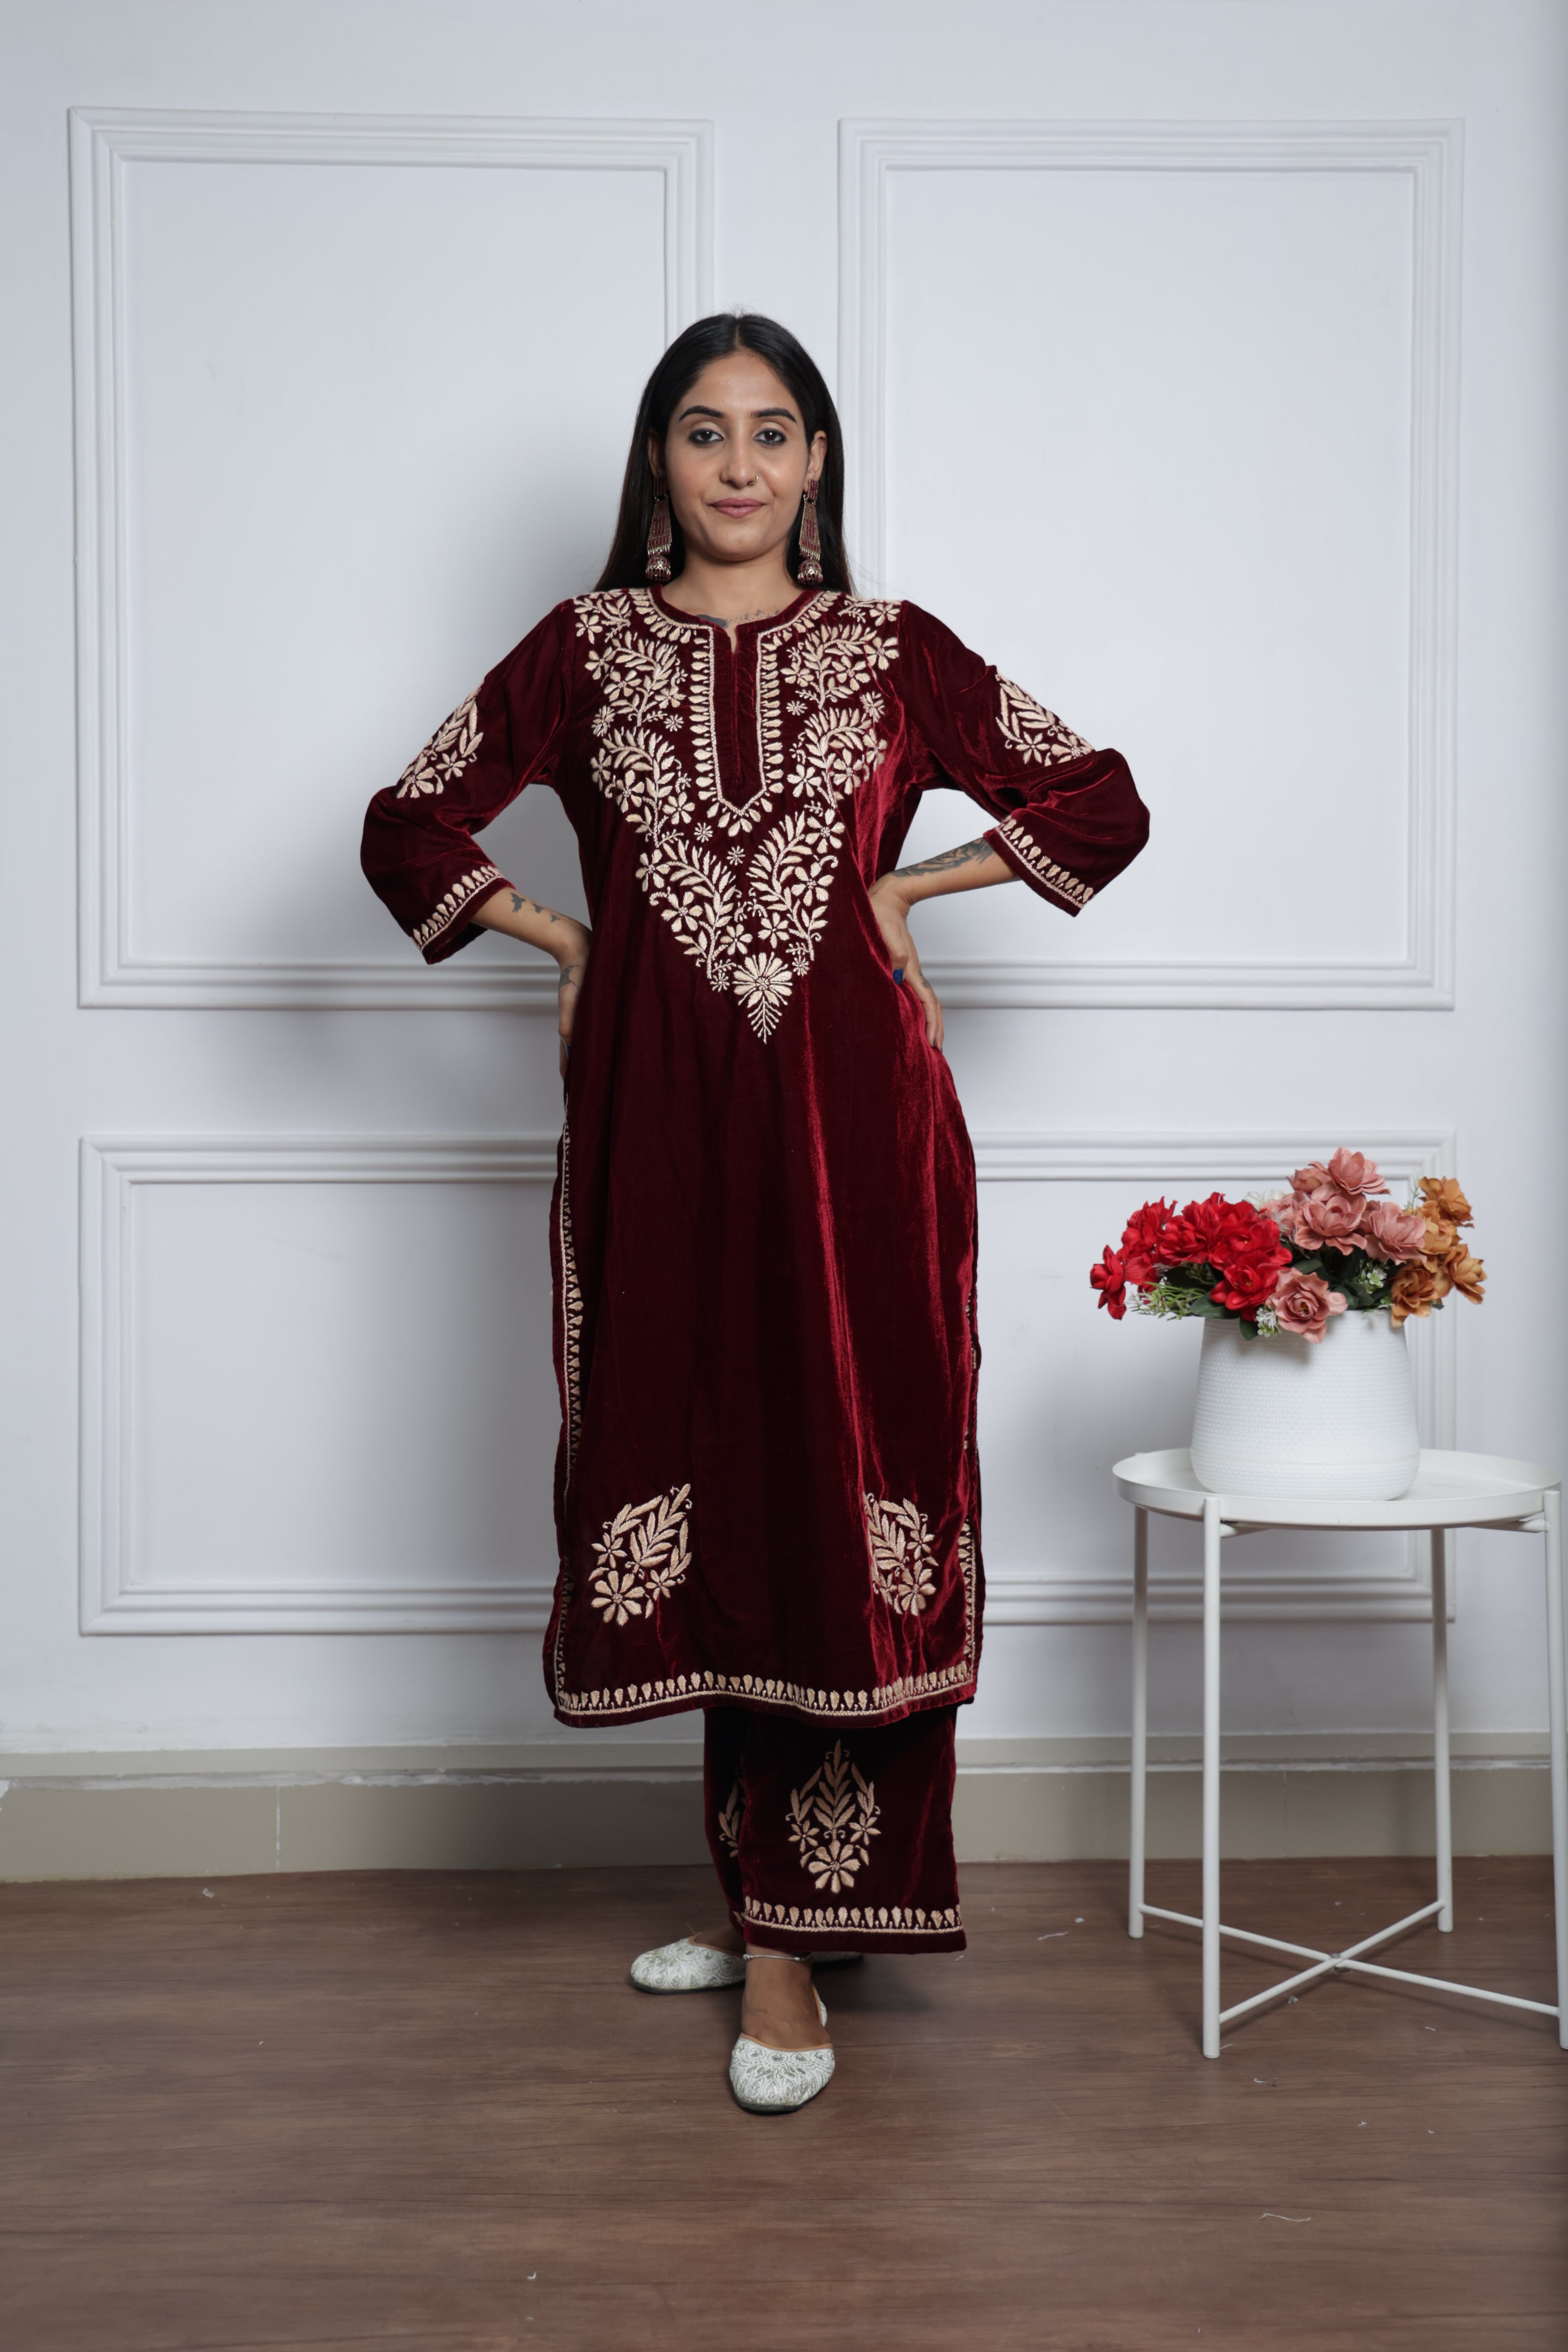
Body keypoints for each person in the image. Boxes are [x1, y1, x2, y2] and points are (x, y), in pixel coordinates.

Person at [361, 313, 1148, 2113]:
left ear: (817, 463)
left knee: (824, 1475)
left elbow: (1101, 800)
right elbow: (409, 822)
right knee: (704, 1461)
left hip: (857, 1138)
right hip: (658, 1132)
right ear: (658, 463)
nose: (738, 464)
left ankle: (795, 1948)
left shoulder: (893, 653)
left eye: (773, 432)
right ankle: (761, 1887)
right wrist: (564, 938)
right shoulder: (581, 653)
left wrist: (905, 893)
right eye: (703, 432)